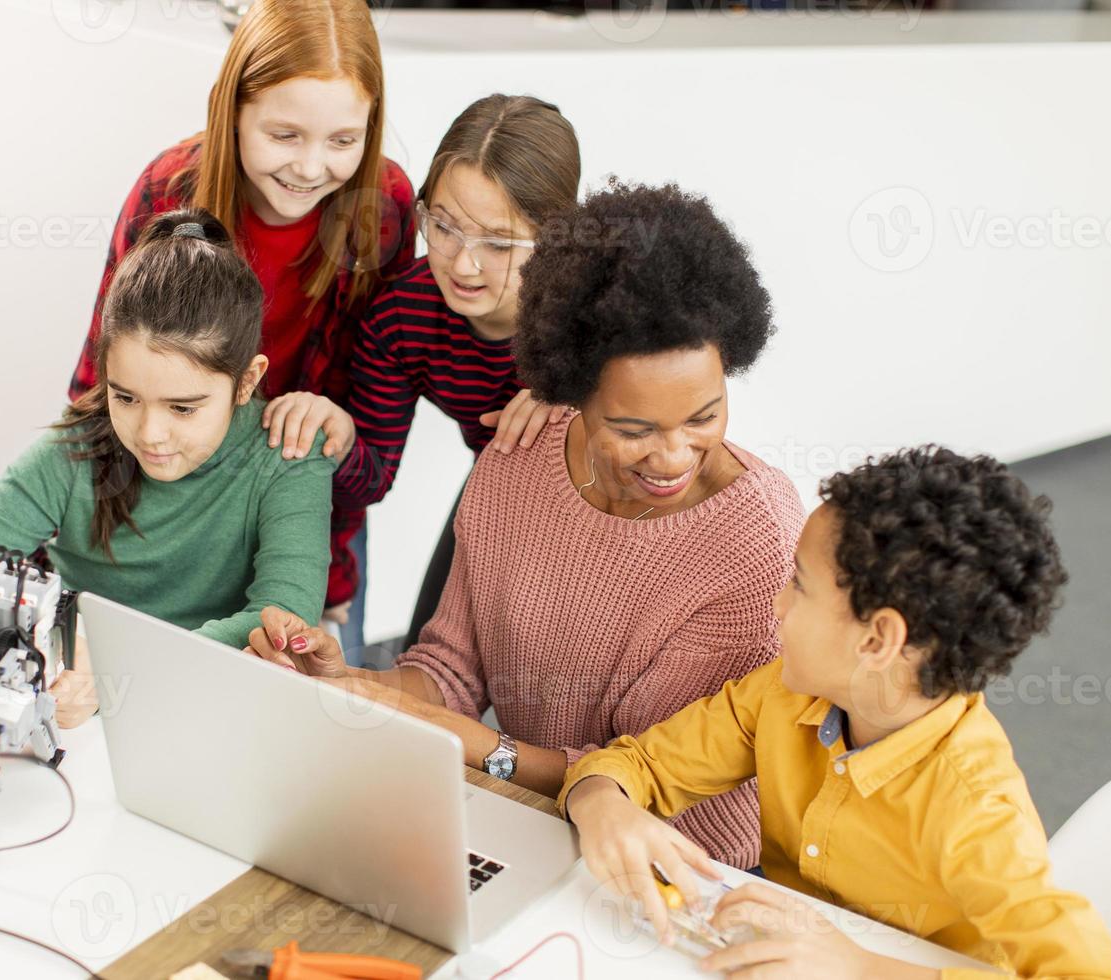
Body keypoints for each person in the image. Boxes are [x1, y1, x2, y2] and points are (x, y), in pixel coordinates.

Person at [245, 181, 804, 871]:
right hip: (531, 825)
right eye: (633, 429)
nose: (674, 458)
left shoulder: (755, 545)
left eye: (703, 417)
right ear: (569, 390)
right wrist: (354, 684)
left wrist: (463, 741)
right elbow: (448, 673)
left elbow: (642, 781)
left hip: (680, 863)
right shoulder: (516, 459)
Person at [561, 447, 1111, 980]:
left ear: (878, 639)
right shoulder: (786, 693)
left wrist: (858, 968)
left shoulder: (978, 810)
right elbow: (643, 765)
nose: (777, 603)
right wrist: (600, 802)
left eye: (798, 586)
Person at [0, 210, 336, 727]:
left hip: (204, 713)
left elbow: (280, 618)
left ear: (247, 380)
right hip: (78, 708)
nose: (149, 434)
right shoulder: (75, 450)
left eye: (183, 407)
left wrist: (119, 678)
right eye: (126, 397)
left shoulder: (289, 456)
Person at [65, 0, 416, 640]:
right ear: (232, 111)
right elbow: (99, 384)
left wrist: (328, 576)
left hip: (305, 519)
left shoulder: (384, 210)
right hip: (167, 518)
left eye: (343, 141)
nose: (311, 168)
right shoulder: (168, 193)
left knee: (329, 716)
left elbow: (373, 444)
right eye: (284, 135)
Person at [258, 93, 581, 659]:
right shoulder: (403, 313)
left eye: (499, 243)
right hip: (496, 483)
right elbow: (374, 478)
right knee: (425, 655)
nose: (462, 263)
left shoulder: (597, 308)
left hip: (610, 510)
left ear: (556, 239)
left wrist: (573, 394)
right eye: (445, 227)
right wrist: (338, 435)